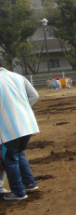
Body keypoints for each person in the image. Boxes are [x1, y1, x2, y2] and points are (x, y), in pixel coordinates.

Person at [0, 58, 40, 201]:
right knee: (19, 153)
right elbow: (35, 95)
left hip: (9, 127)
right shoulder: (17, 76)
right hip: (27, 123)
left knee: (10, 159)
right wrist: (23, 107)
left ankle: (18, 192)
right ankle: (30, 183)